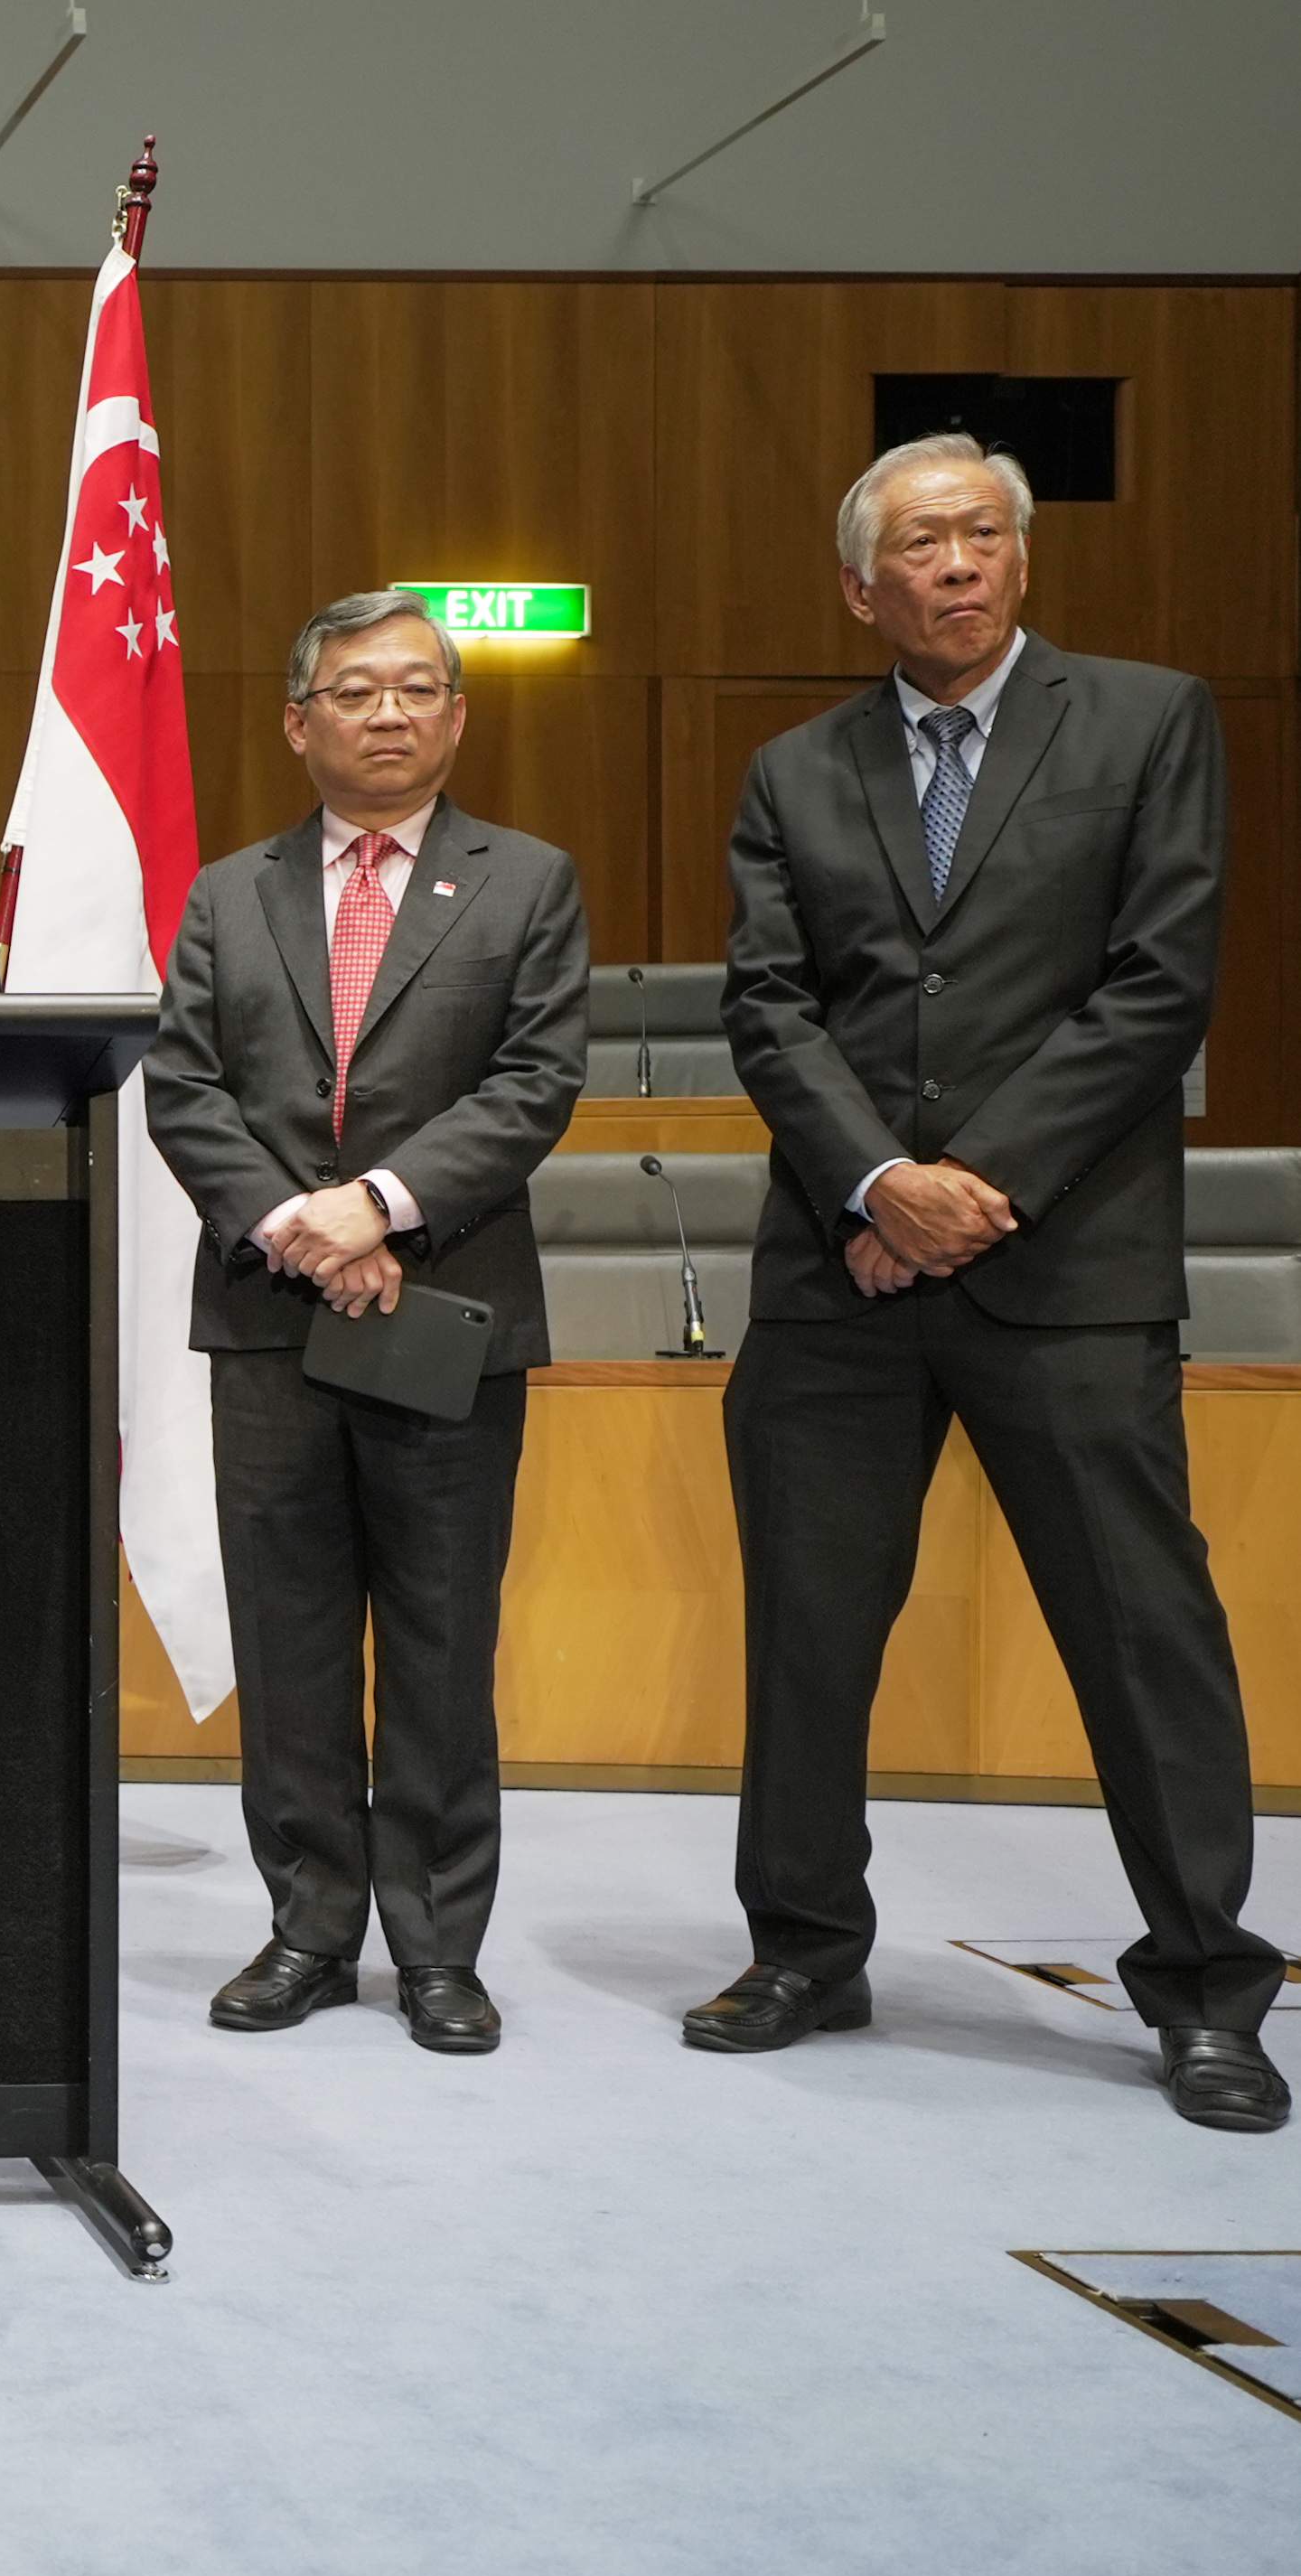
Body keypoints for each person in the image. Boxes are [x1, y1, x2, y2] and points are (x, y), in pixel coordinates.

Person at [699, 434, 1284, 2131]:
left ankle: (1201, 1986)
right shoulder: (791, 767)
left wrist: (975, 1186)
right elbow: (768, 1005)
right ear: (856, 587)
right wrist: (878, 1180)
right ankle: (803, 1943)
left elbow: (1157, 979)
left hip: (1071, 1268)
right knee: (809, 1633)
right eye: (916, 545)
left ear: (1018, 562)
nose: (951, 565)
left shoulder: (1146, 719)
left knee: (1142, 1632)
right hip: (841, 1271)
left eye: (977, 536)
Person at [143, 591, 588, 2054]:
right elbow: (183, 1087)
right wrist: (299, 1225)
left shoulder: (524, 882)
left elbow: (531, 1084)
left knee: (442, 1634)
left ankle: (438, 1944)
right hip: (271, 1313)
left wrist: (379, 1207)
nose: (386, 711)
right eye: (353, 690)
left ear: (455, 717)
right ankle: (308, 1925)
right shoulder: (226, 894)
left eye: (416, 687)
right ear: (297, 719)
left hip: (443, 1308)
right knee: (289, 1638)